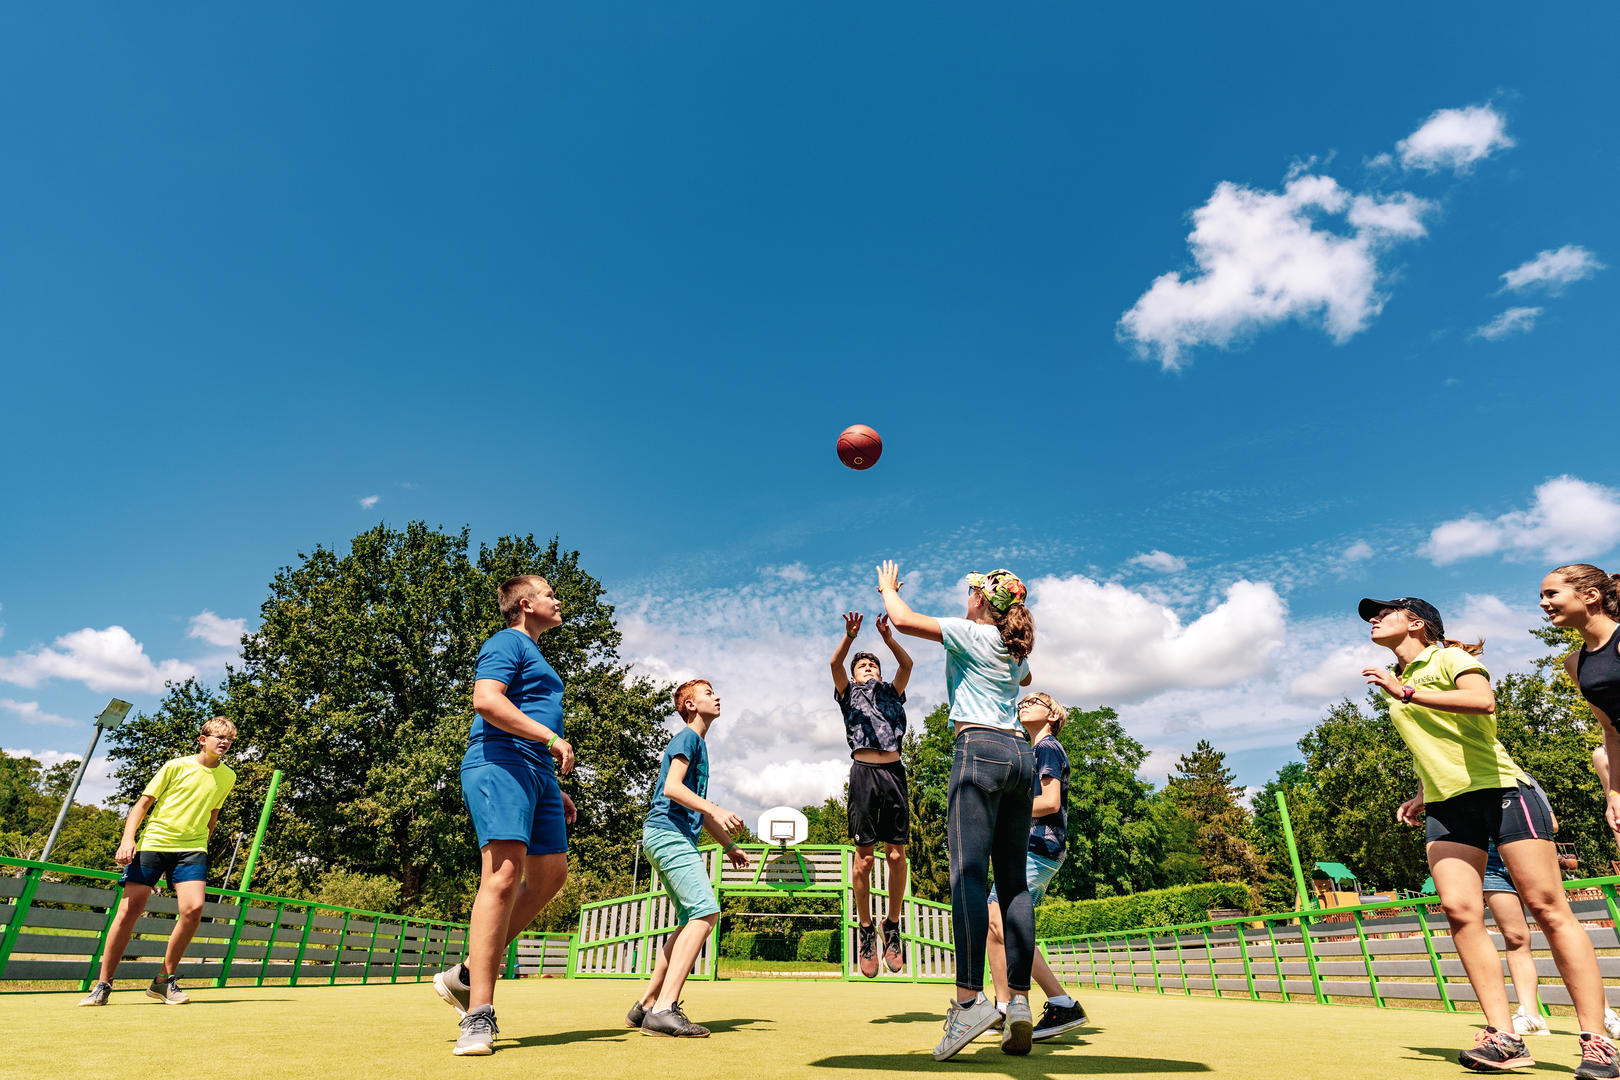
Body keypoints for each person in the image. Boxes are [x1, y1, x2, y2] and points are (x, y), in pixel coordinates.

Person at [1360, 595, 1617, 1077]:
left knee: (1546, 908)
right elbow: (1434, 741)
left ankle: (1597, 1040)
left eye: (1384, 612)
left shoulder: (1449, 658)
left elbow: (1482, 703)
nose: (1373, 619)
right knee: (1459, 910)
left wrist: (1406, 694)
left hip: (1501, 791)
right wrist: (1422, 791)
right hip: (1446, 803)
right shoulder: (1405, 680)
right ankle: (1504, 1037)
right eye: (1370, 616)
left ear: (1416, 623)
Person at [876, 561, 1037, 1061]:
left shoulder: (971, 631)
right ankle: (1018, 1006)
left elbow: (903, 620)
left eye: (972, 592)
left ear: (983, 602)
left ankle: (968, 1001)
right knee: (1013, 883)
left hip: (979, 750)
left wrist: (886, 589)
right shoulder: (1015, 649)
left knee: (967, 876)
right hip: (1020, 758)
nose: (966, 597)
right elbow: (1027, 678)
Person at [437, 575, 578, 1056]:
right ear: (525, 604)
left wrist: (552, 787)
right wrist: (551, 740)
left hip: (537, 774)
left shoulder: (537, 654)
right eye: (549, 594)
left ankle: (464, 973)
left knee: (551, 876)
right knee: (502, 876)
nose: (557, 601)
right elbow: (487, 700)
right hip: (500, 762)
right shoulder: (506, 641)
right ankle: (478, 1013)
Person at [79, 716, 238, 1007]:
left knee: (194, 909)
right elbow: (142, 804)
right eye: (218, 737)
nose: (224, 742)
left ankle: (163, 982)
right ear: (203, 739)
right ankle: (103, 984)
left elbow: (213, 812)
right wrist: (128, 840)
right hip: (155, 843)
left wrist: (203, 842)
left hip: (192, 849)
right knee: (130, 910)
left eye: (229, 739)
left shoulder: (229, 777)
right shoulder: (176, 766)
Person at [626, 678, 749, 1037]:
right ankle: (665, 1009)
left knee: (687, 922)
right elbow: (672, 788)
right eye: (709, 693)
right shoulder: (688, 739)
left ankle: (647, 1004)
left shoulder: (698, 745)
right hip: (668, 834)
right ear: (691, 705)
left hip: (665, 836)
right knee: (706, 912)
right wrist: (715, 806)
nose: (718, 696)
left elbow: (701, 813)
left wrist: (729, 846)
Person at [985, 692, 1088, 1041]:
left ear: (1052, 715)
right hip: (1028, 849)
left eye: (1035, 701)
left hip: (1038, 848)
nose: (1024, 703)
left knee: (1004, 921)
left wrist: (1004, 811)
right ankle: (1003, 1010)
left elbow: (1050, 801)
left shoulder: (1047, 747)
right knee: (993, 926)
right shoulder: (1033, 751)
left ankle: (1061, 1002)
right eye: (1022, 701)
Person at [829, 609, 914, 977]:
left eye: (872, 666)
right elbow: (833, 662)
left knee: (896, 856)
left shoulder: (892, 693)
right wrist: (850, 638)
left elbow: (907, 663)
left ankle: (891, 925)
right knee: (864, 859)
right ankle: (865, 928)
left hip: (893, 772)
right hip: (864, 773)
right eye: (862, 666)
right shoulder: (849, 694)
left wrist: (887, 639)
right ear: (853, 674)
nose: (868, 669)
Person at [1541, 565, 1620, 858]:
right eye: (1541, 595)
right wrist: (1615, 795)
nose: (1542, 602)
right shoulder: (1575, 664)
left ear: (1590, 595)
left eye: (1552, 593)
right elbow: (1611, 731)